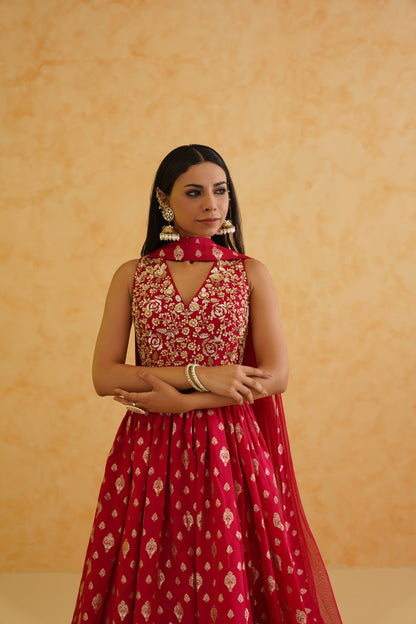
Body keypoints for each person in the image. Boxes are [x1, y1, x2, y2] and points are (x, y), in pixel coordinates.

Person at [71, 145, 343, 624]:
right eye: (193, 192)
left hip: (231, 446)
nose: (211, 205)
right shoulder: (133, 276)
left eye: (220, 191)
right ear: (164, 201)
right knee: (153, 567)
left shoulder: (249, 274)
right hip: (150, 450)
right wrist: (200, 376)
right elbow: (104, 374)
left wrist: (182, 404)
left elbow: (277, 376)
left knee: (230, 568)